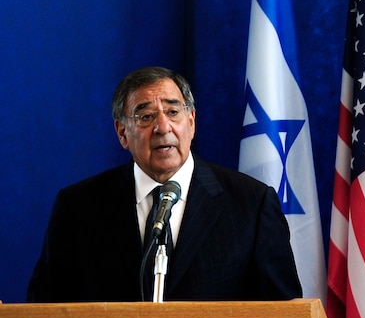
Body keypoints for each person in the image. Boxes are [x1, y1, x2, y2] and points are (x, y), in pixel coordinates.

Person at [27, 66, 302, 302]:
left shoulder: (251, 204)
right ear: (122, 132)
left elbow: (283, 317)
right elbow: (45, 314)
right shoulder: (79, 209)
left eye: (173, 112)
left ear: (191, 122)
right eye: (146, 116)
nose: (162, 127)